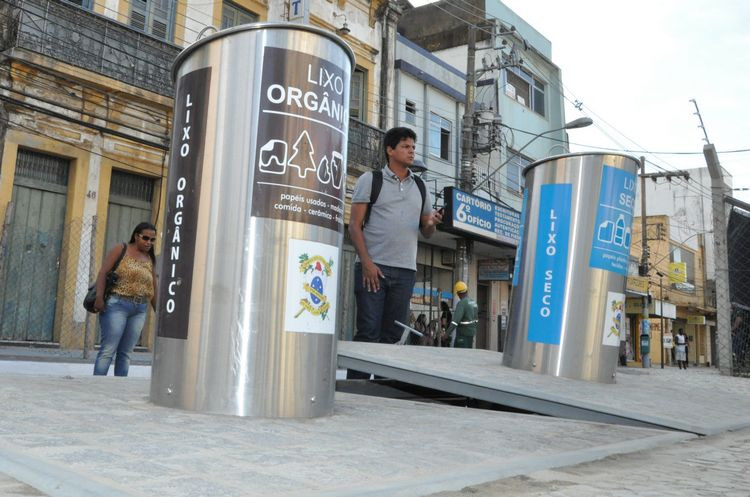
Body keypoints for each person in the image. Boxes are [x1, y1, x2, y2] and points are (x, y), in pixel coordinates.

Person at [346, 127, 443, 378]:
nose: (411, 151)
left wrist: (431, 223)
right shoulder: (371, 179)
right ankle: (356, 389)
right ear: (390, 150)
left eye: (413, 146)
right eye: (405, 146)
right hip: (373, 268)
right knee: (368, 331)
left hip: (406, 271)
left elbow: (427, 232)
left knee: (392, 335)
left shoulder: (420, 186)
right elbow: (354, 226)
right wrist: (366, 263)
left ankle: (382, 389)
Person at [93, 222, 158, 376]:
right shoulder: (121, 249)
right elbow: (103, 272)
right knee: (108, 349)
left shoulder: (150, 258)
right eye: (145, 238)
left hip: (139, 309)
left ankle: (119, 388)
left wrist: (159, 313)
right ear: (136, 236)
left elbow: (154, 287)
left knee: (126, 353)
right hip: (117, 305)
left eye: (152, 240)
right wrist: (99, 297)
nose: (149, 242)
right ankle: (96, 386)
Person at [445, 281, 478, 349]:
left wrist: (446, 334)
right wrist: (473, 332)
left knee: (459, 355)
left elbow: (455, 322)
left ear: (458, 293)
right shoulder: (473, 302)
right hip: (471, 335)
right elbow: (476, 320)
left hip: (462, 335)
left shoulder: (462, 303)